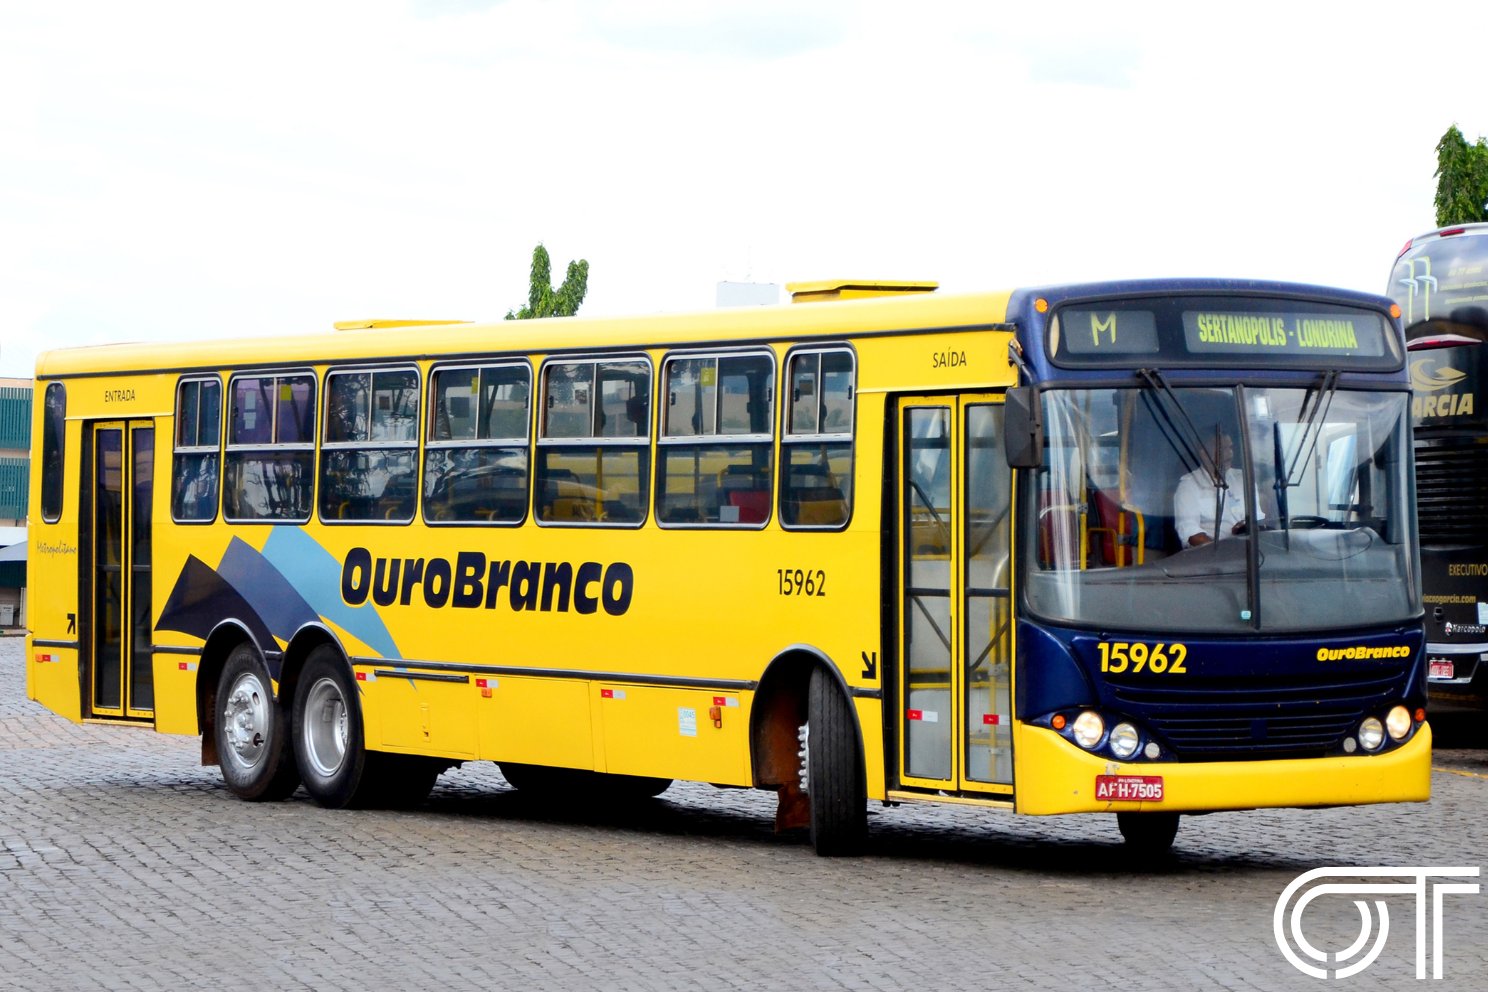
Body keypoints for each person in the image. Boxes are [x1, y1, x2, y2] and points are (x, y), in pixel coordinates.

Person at [1173, 432, 1263, 547]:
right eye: (1222, 449)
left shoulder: (1243, 479)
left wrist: (1247, 525)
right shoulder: (1189, 486)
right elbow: (1190, 532)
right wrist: (1223, 552)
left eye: (1230, 447)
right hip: (1211, 558)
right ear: (1204, 453)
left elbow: (1258, 518)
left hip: (1251, 553)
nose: (1229, 453)